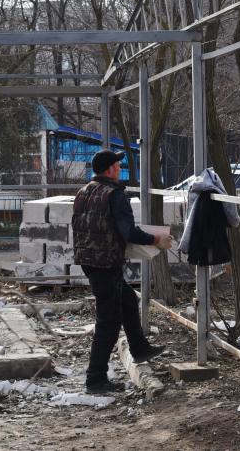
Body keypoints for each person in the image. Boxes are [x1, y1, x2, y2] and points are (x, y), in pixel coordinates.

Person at [73, 149, 165, 393]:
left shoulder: (84, 191)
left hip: (89, 260)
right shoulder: (114, 195)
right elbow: (129, 232)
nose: (120, 168)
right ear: (110, 169)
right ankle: (95, 379)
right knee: (108, 321)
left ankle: (139, 347)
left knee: (126, 300)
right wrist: (156, 239)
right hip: (106, 263)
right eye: (118, 165)